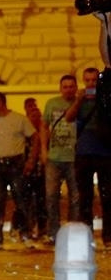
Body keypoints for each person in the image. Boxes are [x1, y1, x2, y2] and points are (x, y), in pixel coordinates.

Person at [0, 91, 37, 250]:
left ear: (0, 102)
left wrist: (31, 160)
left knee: (21, 200)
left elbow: (35, 137)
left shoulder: (19, 119)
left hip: (16, 162)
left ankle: (25, 234)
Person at [67, 64, 111, 250]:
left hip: (105, 153)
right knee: (85, 197)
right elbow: (69, 118)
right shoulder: (80, 100)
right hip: (83, 153)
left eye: (95, 80)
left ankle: (108, 237)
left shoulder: (106, 99)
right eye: (88, 80)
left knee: (107, 196)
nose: (92, 83)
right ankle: (87, 235)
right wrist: (78, 101)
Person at [41, 74, 80, 245]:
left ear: (76, 87)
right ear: (60, 88)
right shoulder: (52, 103)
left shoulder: (81, 103)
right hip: (54, 157)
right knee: (51, 196)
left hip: (74, 157)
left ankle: (73, 231)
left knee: (75, 197)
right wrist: (44, 149)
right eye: (65, 86)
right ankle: (54, 233)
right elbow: (43, 126)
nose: (68, 89)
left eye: (71, 86)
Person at [13, 97, 46, 241]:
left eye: (37, 115)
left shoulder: (43, 131)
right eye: (32, 114)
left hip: (40, 171)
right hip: (25, 170)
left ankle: (40, 229)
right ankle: (23, 228)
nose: (35, 117)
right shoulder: (23, 130)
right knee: (23, 201)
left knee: (41, 201)